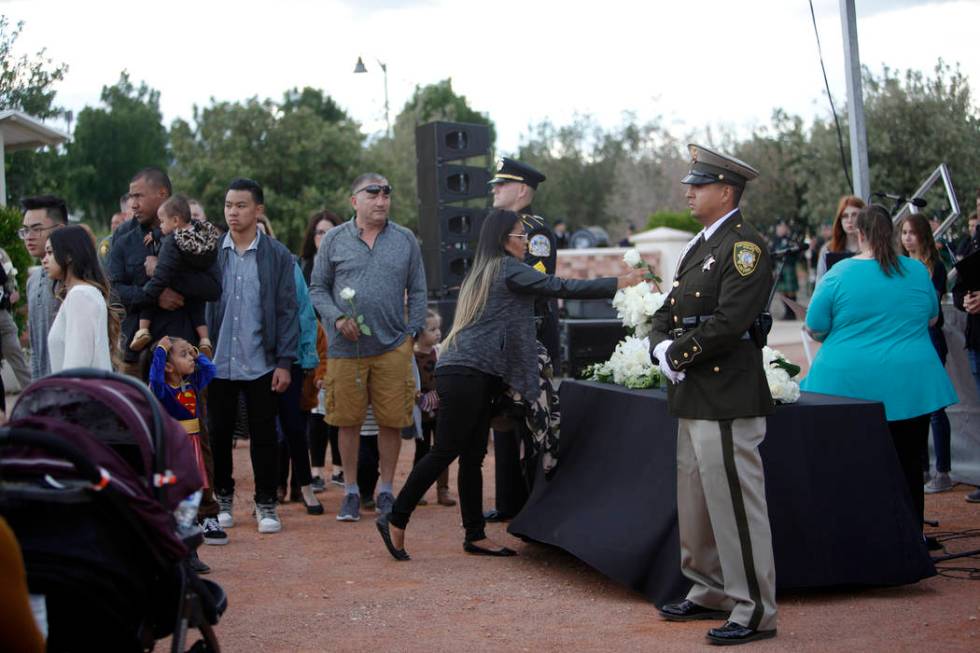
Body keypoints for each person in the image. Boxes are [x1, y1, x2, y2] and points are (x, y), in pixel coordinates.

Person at [377, 209, 644, 561]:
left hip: (469, 371)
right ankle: (395, 517)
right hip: (467, 373)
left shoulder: (484, 271)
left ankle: (475, 535)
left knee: (472, 456)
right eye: (520, 237)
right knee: (447, 450)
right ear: (505, 240)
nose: (525, 244)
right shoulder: (506, 268)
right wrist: (618, 283)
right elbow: (558, 286)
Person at [651, 145, 778, 646]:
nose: (688, 191)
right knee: (698, 500)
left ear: (726, 191)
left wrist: (674, 356)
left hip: (726, 393)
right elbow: (670, 306)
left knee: (736, 507)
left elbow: (730, 323)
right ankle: (709, 588)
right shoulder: (700, 244)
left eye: (698, 185)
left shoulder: (745, 247)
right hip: (695, 393)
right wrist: (659, 343)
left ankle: (755, 608)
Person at [802, 205, 958, 531]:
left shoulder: (839, 273)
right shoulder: (916, 271)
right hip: (912, 384)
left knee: (854, 466)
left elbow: (815, 325)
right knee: (910, 466)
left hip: (848, 386)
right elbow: (932, 317)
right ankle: (911, 538)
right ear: (891, 232)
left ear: (860, 234)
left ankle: (864, 540)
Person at [309, 173, 427, 522]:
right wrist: (335, 319)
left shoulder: (405, 239)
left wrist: (412, 332)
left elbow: (419, 290)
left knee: (392, 421)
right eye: (372, 193)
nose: (381, 200)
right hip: (346, 349)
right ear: (354, 201)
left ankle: (387, 490)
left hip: (393, 347)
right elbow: (317, 288)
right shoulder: (333, 239)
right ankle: (350, 492)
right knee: (347, 421)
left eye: (386, 193)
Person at [206, 178, 298, 534]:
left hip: (262, 360)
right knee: (219, 433)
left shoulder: (277, 254)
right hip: (218, 361)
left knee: (264, 436)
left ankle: (265, 503)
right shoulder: (213, 251)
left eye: (241, 205)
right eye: (228, 205)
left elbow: (288, 311)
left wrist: (285, 362)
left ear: (258, 210)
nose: (233, 212)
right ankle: (222, 497)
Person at [484, 157, 555, 523]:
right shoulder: (500, 228)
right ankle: (509, 501)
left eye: (502, 184)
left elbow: (533, 284)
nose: (494, 190)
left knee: (532, 424)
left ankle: (533, 505)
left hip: (532, 338)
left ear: (523, 190)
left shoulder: (534, 231)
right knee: (506, 422)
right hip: (506, 340)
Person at [110, 168, 219, 377]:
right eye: (131, 196)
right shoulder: (123, 236)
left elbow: (214, 288)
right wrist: (153, 295)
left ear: (162, 194)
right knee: (136, 411)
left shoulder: (195, 233)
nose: (133, 204)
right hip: (136, 359)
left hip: (184, 359)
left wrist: (168, 275)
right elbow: (112, 292)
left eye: (138, 196)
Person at [148, 336, 222, 568]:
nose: (190, 358)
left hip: (193, 449)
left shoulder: (192, 384)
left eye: (190, 353)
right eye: (184, 354)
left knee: (191, 499)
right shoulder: (162, 391)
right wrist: (161, 351)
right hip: (175, 449)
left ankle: (190, 553)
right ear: (168, 366)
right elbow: (154, 378)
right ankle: (175, 551)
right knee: (175, 501)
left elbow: (211, 370)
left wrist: (197, 352)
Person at [898, 214, 955, 494]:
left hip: (930, 337)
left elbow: (928, 307)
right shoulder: (899, 265)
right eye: (903, 232)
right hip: (908, 339)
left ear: (923, 235)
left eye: (912, 232)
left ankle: (942, 470)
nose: (907, 237)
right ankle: (920, 468)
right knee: (914, 406)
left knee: (934, 409)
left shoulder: (935, 266)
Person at [129, 194, 219, 356]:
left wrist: (146, 295)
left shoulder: (172, 242)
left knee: (149, 299)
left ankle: (142, 330)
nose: (160, 226)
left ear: (176, 221)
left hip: (171, 322)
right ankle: (205, 340)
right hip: (194, 297)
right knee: (197, 309)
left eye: (162, 222)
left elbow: (162, 275)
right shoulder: (206, 241)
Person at [43, 225, 117, 373]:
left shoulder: (81, 296)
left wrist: (67, 394)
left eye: (50, 252)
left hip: (78, 393)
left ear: (69, 256)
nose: (44, 260)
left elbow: (77, 362)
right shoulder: (82, 294)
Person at [410, 309, 456, 507]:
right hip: (422, 413)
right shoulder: (411, 356)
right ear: (420, 333)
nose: (438, 332)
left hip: (441, 411)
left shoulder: (441, 351)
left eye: (439, 328)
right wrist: (416, 394)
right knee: (421, 451)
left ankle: (442, 490)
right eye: (432, 329)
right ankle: (417, 490)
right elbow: (410, 380)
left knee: (442, 449)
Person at [20, 195, 68, 380]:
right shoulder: (33, 281)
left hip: (71, 385)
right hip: (42, 386)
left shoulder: (75, 279)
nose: (28, 237)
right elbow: (34, 345)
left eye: (37, 229)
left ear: (60, 230)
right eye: (25, 230)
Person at [0, 246, 30, 391]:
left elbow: (10, 278)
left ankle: (34, 397)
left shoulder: (0, 254)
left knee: (18, 359)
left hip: (3, 315)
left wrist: (12, 291)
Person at [815, 195, 864, 282]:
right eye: (845, 216)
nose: (849, 220)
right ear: (839, 220)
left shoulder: (873, 248)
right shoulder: (828, 249)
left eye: (854, 215)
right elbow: (820, 285)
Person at [771, 220, 800, 320]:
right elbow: (772, 254)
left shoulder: (790, 240)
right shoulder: (775, 241)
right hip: (779, 269)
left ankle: (792, 313)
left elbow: (796, 254)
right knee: (783, 292)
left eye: (782, 227)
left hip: (788, 267)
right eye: (779, 227)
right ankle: (787, 312)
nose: (780, 229)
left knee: (791, 291)